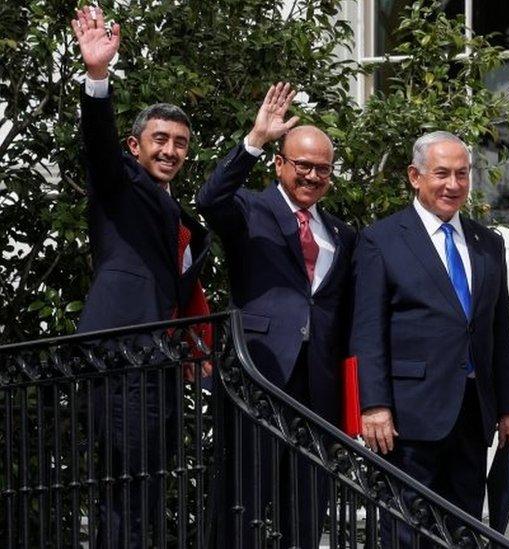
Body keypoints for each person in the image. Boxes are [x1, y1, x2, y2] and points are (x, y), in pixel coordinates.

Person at [71, 7, 212, 548]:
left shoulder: (180, 216)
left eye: (179, 142)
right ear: (135, 146)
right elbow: (98, 145)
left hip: (162, 365)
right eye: (159, 139)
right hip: (122, 356)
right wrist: (97, 78)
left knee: (149, 490)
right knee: (123, 491)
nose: (170, 150)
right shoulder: (120, 185)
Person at [196, 82, 356, 548]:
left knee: (305, 513)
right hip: (258, 375)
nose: (312, 176)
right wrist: (255, 139)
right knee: (239, 505)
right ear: (280, 164)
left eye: (322, 169)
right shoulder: (250, 209)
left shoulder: (342, 234)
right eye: (302, 165)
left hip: (318, 389)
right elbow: (209, 200)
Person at [351, 131, 509, 546]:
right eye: (442, 174)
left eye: (462, 175)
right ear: (415, 176)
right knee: (406, 530)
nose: (454, 185)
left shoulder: (488, 243)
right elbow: (368, 329)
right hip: (408, 418)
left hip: (472, 413)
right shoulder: (383, 238)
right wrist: (374, 405)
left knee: (463, 529)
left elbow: (499, 330)